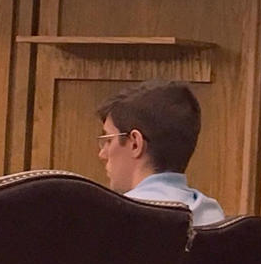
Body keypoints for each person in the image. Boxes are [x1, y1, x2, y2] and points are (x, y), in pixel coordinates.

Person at [96, 81, 224, 226]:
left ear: (135, 144)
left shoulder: (112, 219)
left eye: (108, 141)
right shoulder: (212, 214)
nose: (102, 154)